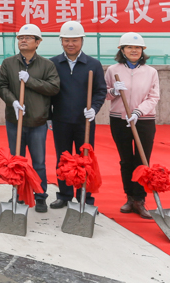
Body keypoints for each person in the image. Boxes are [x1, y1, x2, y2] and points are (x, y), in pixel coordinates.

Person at [0, 23, 60, 213]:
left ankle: (40, 196)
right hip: (14, 120)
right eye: (20, 38)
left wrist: (30, 81)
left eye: (28, 38)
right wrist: (13, 102)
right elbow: (2, 86)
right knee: (17, 160)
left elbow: (54, 88)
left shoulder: (47, 65)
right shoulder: (8, 63)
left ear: (38, 42)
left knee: (38, 162)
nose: (23, 40)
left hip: (37, 121)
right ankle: (18, 193)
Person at [49, 21, 107, 209]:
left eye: (74, 40)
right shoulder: (53, 64)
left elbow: (100, 91)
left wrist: (94, 109)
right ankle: (64, 195)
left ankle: (85, 197)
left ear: (82, 41)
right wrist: (49, 116)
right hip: (61, 120)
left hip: (85, 121)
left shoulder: (93, 64)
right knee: (63, 158)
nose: (70, 44)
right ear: (61, 41)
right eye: (66, 40)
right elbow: (48, 91)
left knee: (85, 159)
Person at [105, 32, 160, 219]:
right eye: (129, 47)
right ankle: (129, 197)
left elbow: (154, 97)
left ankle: (139, 199)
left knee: (142, 160)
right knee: (126, 160)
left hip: (144, 120)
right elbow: (105, 94)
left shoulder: (151, 72)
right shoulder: (113, 70)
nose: (134, 50)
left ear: (142, 50)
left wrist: (138, 112)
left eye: (137, 47)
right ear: (122, 50)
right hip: (119, 119)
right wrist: (114, 90)